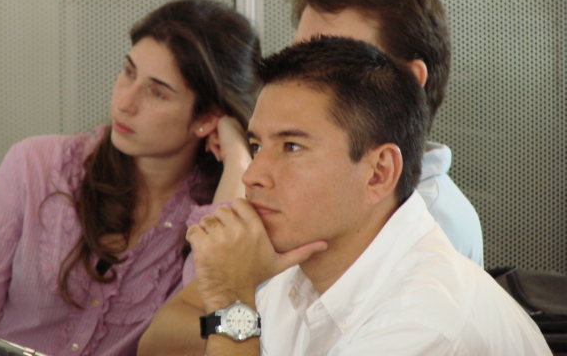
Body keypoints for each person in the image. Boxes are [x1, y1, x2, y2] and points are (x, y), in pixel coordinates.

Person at [151, 37, 550, 356]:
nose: (252, 175)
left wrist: (232, 302)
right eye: (256, 147)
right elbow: (154, 344)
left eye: (292, 147)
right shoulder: (300, 268)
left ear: (378, 173)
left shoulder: (428, 324)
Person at [0, 0, 261, 356]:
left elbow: (205, 330)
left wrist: (238, 164)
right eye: (129, 72)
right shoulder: (34, 165)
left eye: (157, 92)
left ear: (208, 118)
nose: (125, 102)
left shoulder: (216, 210)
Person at [292, 0, 483, 266]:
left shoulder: (428, 225)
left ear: (409, 82)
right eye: (297, 61)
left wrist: (232, 287)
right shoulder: (329, 190)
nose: (300, 83)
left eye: (335, 64)